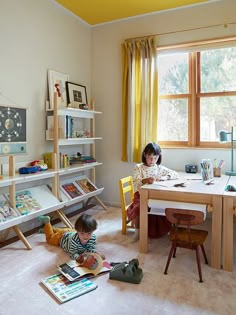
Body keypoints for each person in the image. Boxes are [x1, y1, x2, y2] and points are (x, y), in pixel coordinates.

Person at [127, 142, 178, 242]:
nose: (152, 160)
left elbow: (174, 173)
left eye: (155, 158)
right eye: (150, 157)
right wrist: (146, 180)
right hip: (140, 195)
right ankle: (137, 232)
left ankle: (165, 230)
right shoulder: (139, 167)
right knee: (139, 207)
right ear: (145, 154)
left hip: (155, 195)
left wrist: (165, 178)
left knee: (165, 206)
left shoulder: (158, 168)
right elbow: (136, 181)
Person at [38, 213, 104, 263]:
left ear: (93, 231)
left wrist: (97, 254)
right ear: (77, 231)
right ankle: (47, 223)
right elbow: (73, 253)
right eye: (82, 233)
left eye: (89, 233)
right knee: (50, 239)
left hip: (70, 231)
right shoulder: (74, 240)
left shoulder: (93, 238)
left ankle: (48, 229)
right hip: (61, 237)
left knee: (59, 230)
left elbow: (91, 248)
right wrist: (78, 258)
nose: (85, 236)